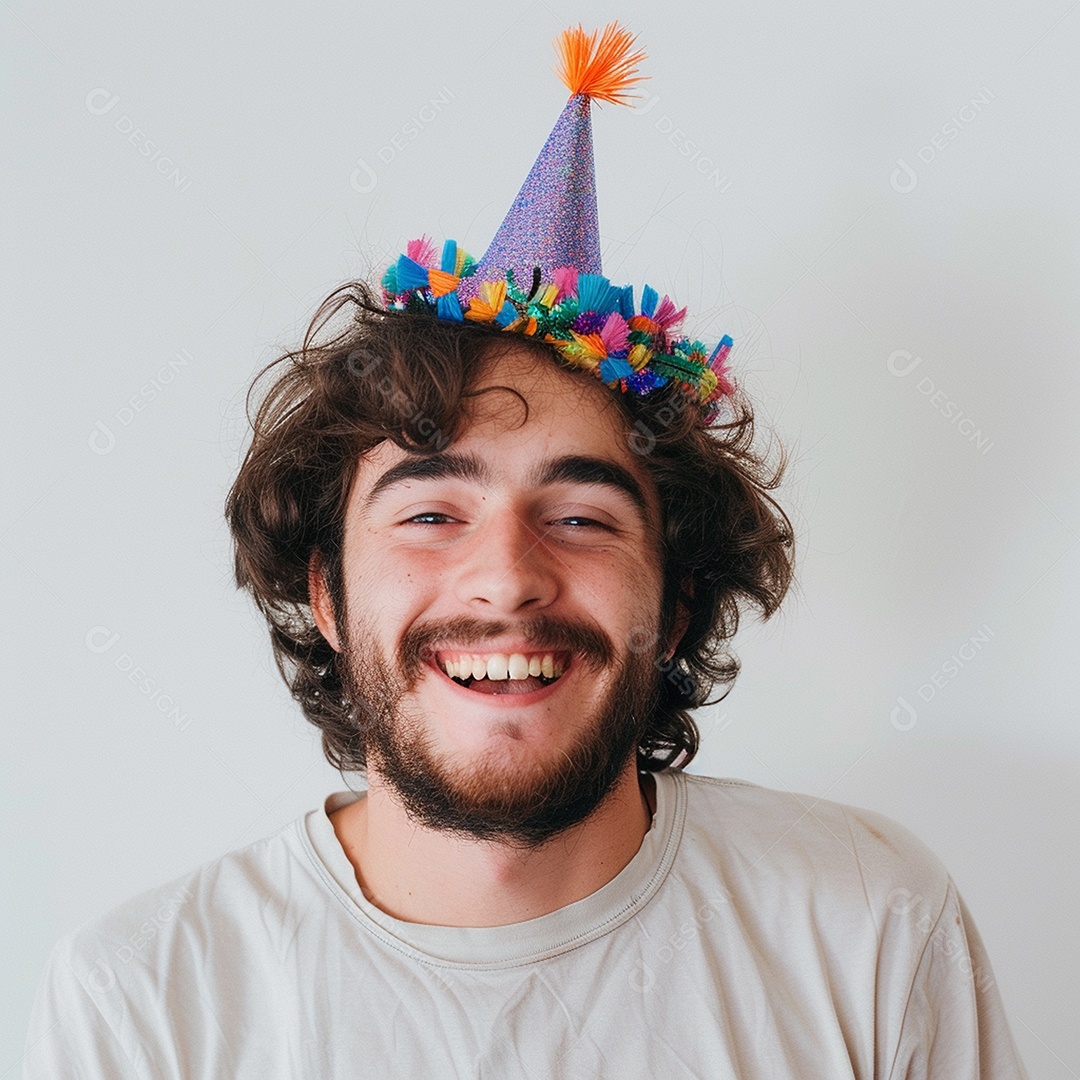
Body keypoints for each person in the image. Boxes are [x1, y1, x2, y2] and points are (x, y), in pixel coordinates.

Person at [24, 22, 1028, 1079]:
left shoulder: (871, 926)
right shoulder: (140, 1008)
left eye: (582, 517)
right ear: (325, 593)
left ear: (676, 604)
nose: (506, 578)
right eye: (430, 515)